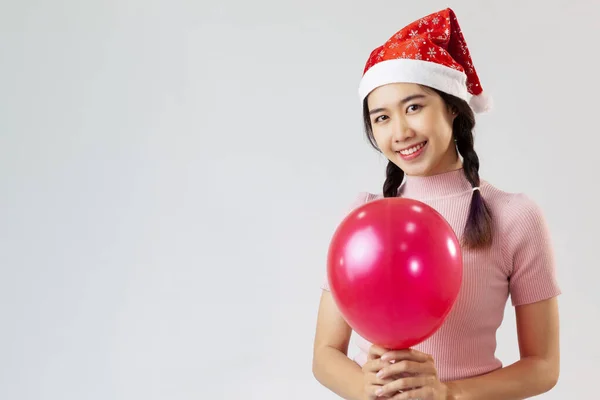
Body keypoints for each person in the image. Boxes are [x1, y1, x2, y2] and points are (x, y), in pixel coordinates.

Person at [312, 8, 561, 400]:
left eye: (414, 107)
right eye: (381, 118)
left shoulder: (513, 216)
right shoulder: (362, 219)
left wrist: (446, 393)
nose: (400, 131)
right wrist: (366, 386)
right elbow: (325, 355)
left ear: (451, 107)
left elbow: (544, 367)